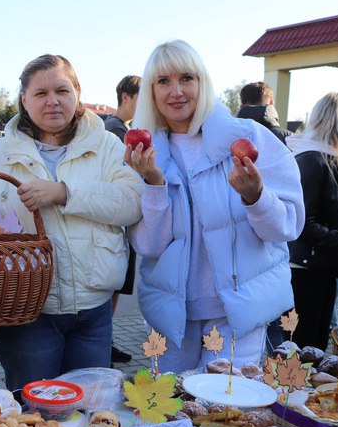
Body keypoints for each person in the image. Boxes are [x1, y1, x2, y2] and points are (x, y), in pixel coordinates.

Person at [124, 40, 304, 373]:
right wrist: (153, 184)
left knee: (223, 411)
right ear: (151, 90)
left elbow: (287, 227)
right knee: (169, 412)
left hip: (237, 313)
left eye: (187, 78)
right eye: (163, 81)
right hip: (171, 316)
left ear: (202, 83)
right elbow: (149, 245)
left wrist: (256, 196)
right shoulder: (143, 155)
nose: (176, 91)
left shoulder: (249, 137)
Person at [0, 54, 143, 390]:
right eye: (40, 93)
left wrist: (64, 192)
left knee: (87, 409)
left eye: (62, 90)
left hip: (93, 312)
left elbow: (132, 202)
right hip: (26, 315)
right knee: (33, 411)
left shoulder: (107, 145)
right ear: (24, 99)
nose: (52, 101)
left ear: (77, 92)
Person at [286, 92, 338, 351]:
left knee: (317, 349)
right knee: (301, 352)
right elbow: (303, 225)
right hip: (304, 272)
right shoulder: (311, 161)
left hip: (324, 269)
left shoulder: (330, 160)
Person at [104, 75, 142, 363]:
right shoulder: (115, 132)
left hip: (123, 223)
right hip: (115, 223)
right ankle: (105, 340)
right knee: (113, 285)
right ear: (126, 97)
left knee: (119, 285)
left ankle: (107, 338)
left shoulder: (125, 129)